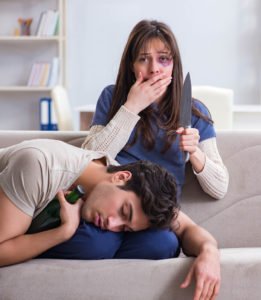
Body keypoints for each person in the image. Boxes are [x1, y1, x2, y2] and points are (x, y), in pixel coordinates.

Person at [0, 138, 220, 299]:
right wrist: (63, 232)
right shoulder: (38, 166)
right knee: (94, 241)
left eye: (125, 227)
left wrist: (209, 252)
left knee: (163, 241)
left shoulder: (126, 188)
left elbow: (187, 227)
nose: (113, 225)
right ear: (120, 177)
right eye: (124, 213)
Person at [81, 19, 229, 200]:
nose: (154, 69)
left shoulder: (194, 111)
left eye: (163, 59)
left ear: (174, 64)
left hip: (158, 211)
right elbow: (87, 160)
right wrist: (131, 107)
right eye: (143, 59)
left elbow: (220, 188)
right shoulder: (112, 97)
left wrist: (195, 152)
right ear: (131, 66)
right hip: (112, 201)